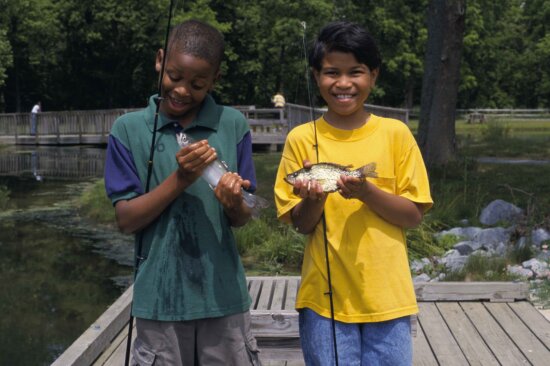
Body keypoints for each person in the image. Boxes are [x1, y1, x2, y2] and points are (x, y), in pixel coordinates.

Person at [274, 21, 433, 366]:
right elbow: (301, 225)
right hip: (323, 300)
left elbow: (413, 216)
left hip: (388, 298)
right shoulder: (301, 138)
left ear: (373, 75)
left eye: (355, 72)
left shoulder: (396, 134)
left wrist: (367, 193)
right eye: (332, 72)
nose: (343, 83)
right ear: (316, 76)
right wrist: (314, 197)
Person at [104, 20, 261, 366]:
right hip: (159, 301)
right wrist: (181, 179)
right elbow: (126, 220)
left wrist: (235, 203)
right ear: (160, 60)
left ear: (215, 80)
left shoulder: (232, 124)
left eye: (197, 84)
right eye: (174, 77)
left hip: (225, 297)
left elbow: (242, 218)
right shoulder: (127, 130)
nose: (182, 90)